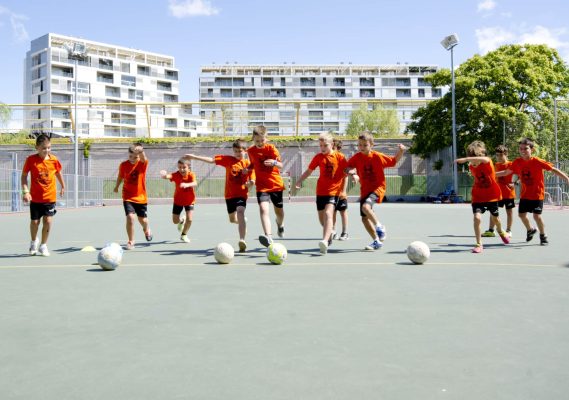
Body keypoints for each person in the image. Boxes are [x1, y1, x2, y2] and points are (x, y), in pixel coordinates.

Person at [496, 137, 569, 245]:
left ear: (532, 150)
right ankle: (530, 230)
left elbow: (553, 169)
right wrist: (492, 174)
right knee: (521, 215)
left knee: (536, 216)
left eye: (525, 148)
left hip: (537, 195)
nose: (523, 151)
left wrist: (567, 178)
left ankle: (543, 236)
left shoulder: (538, 161)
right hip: (525, 195)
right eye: (521, 149)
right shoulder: (517, 162)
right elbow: (506, 172)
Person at [185, 139, 255, 252]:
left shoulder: (249, 165)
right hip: (229, 195)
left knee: (241, 212)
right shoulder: (228, 160)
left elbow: (252, 181)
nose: (237, 153)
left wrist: (249, 183)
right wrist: (194, 157)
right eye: (235, 151)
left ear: (245, 151)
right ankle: (242, 222)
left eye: (240, 151)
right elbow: (211, 160)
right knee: (233, 220)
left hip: (241, 194)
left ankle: (242, 240)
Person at [346, 131, 406, 251]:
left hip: (377, 188)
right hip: (365, 190)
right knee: (364, 219)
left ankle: (380, 227)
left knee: (366, 208)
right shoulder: (357, 157)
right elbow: (347, 167)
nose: (362, 147)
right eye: (360, 145)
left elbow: (393, 162)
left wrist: (401, 151)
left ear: (371, 145)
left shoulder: (377, 156)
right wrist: (352, 173)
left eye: (365, 145)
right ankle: (376, 241)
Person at [295, 133, 348, 254]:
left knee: (329, 213)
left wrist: (354, 174)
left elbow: (347, 169)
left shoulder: (340, 157)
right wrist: (299, 180)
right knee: (321, 218)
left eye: (325, 145)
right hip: (320, 192)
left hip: (333, 192)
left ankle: (324, 240)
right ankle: (329, 234)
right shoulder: (318, 157)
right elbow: (309, 171)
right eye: (321, 145)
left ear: (332, 144)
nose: (323, 148)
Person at [455, 140, 510, 254]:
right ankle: (479, 244)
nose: (472, 162)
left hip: (492, 196)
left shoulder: (487, 162)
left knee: (496, 219)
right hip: (478, 196)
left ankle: (500, 230)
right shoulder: (471, 167)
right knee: (477, 218)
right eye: (470, 158)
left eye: (474, 159)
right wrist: (470, 160)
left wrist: (466, 159)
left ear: (479, 156)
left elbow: (486, 158)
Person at [21, 134, 65, 256]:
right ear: (37, 147)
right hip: (35, 198)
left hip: (50, 197)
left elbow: (58, 173)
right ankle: (33, 241)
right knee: (35, 222)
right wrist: (25, 191)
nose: (47, 150)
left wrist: (63, 185)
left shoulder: (54, 160)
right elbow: (24, 176)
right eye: (44, 148)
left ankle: (43, 245)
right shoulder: (30, 160)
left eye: (49, 148)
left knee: (48, 220)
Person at [246, 125, 285, 247]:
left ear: (266, 138)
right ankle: (269, 236)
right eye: (257, 141)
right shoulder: (250, 151)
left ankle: (280, 224)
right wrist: (247, 169)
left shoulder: (271, 149)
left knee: (279, 211)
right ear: (253, 139)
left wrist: (274, 162)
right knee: (263, 209)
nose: (260, 143)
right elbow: (252, 164)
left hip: (275, 184)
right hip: (262, 186)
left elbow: (280, 165)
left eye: (262, 140)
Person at [113, 143, 152, 250]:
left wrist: (141, 150)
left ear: (139, 156)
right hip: (127, 196)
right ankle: (131, 241)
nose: (133, 159)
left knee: (142, 220)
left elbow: (144, 158)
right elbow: (120, 176)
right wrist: (116, 186)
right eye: (131, 156)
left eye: (135, 157)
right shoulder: (123, 165)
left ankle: (146, 229)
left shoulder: (142, 164)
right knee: (130, 217)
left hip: (141, 197)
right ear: (128, 155)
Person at [159, 156, 197, 244]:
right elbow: (168, 176)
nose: (182, 169)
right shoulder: (176, 175)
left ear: (188, 167)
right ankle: (181, 221)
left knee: (190, 219)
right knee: (175, 221)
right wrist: (164, 175)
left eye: (184, 167)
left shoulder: (191, 175)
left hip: (189, 201)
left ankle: (184, 234)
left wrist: (187, 185)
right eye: (180, 167)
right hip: (178, 201)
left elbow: (195, 183)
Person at [482, 145, 516, 238]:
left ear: (506, 154)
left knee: (509, 212)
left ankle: (508, 230)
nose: (498, 157)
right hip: (497, 193)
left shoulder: (511, 164)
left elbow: (520, 175)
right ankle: (491, 230)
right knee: (493, 212)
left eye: (500, 155)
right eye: (497, 155)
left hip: (509, 193)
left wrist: (515, 183)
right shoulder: (495, 165)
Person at [332, 138, 349, 241]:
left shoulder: (341, 159)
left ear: (337, 148)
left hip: (340, 192)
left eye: (332, 147)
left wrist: (343, 190)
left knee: (342, 212)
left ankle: (345, 232)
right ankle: (333, 231)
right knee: (332, 212)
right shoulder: (329, 159)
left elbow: (346, 176)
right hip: (332, 192)